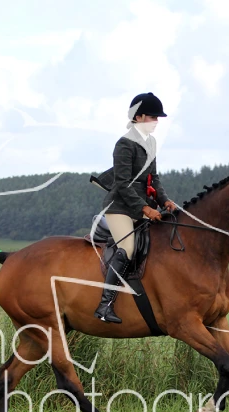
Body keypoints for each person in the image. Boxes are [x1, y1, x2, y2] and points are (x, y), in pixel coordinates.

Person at [94, 92, 177, 323]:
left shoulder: (150, 143)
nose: (156, 122)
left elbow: (154, 179)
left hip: (142, 207)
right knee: (127, 248)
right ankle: (105, 305)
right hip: (120, 208)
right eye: (152, 117)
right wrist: (145, 209)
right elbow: (122, 184)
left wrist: (165, 201)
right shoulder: (124, 144)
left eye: (157, 118)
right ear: (138, 117)